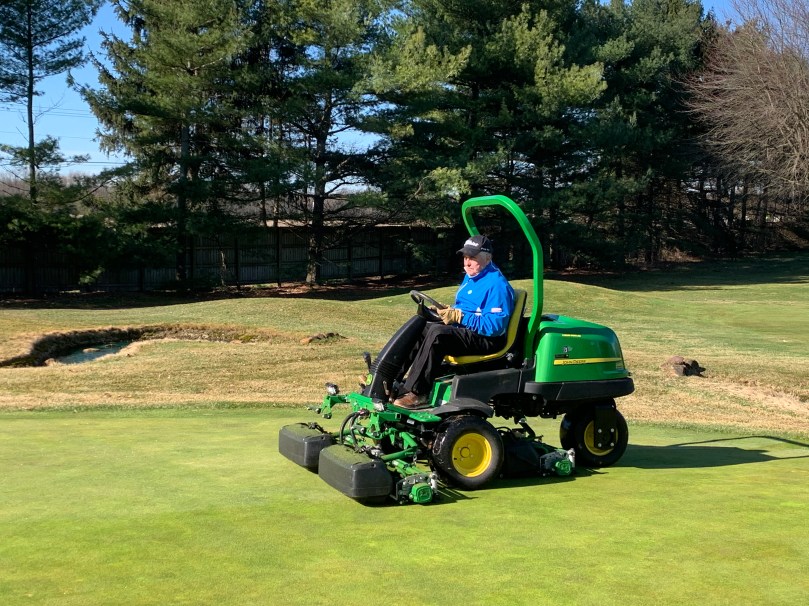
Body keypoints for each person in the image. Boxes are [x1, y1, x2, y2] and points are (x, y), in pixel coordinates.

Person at [393, 234, 515, 409]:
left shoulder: (497, 285)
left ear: (487, 257)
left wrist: (460, 317)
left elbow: (495, 326)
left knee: (438, 334)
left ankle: (418, 393)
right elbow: (466, 308)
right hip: (468, 331)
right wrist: (447, 310)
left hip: (488, 339)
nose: (467, 262)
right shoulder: (471, 277)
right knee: (422, 327)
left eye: (472, 257)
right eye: (465, 257)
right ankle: (391, 381)